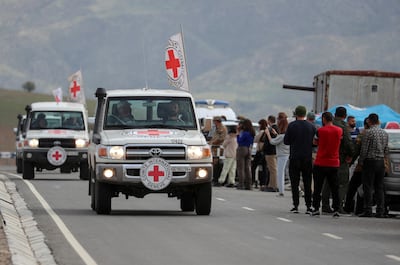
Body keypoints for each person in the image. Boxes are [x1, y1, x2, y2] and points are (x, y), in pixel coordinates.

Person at [321, 106, 354, 214]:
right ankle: (338, 206)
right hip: (340, 158)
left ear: (335, 114)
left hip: (326, 156)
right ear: (345, 116)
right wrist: (350, 155)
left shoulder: (327, 124)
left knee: (327, 182)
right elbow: (348, 143)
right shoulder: (344, 126)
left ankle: (325, 205)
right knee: (342, 183)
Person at [284, 105, 316, 213]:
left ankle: (296, 205)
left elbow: (286, 141)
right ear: (305, 114)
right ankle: (308, 206)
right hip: (307, 157)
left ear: (296, 114)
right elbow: (314, 143)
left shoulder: (292, 126)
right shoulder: (311, 127)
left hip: (294, 157)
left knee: (295, 182)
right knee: (307, 182)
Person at [311, 112, 343, 217]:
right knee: (334, 188)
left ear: (324, 119)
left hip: (320, 162)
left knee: (318, 187)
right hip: (334, 163)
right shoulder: (339, 130)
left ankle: (316, 208)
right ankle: (336, 209)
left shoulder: (320, 130)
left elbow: (315, 142)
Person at [358, 113, 389, 218]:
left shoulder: (368, 133)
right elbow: (386, 150)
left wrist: (361, 162)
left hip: (370, 161)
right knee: (379, 187)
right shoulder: (384, 133)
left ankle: (368, 210)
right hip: (380, 162)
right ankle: (380, 210)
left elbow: (364, 149)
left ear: (369, 121)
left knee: (368, 186)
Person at [343, 118, 369, 214]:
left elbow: (357, 150)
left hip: (362, 166)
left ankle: (349, 207)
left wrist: (350, 162)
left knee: (353, 186)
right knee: (370, 187)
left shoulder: (362, 135)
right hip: (378, 165)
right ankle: (377, 209)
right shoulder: (383, 133)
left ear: (366, 124)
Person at [264, 112, 289, 197]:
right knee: (289, 174)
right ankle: (298, 189)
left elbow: (273, 142)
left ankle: (281, 191)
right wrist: (275, 134)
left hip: (282, 155)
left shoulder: (281, 136)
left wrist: (268, 134)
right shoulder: (285, 135)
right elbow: (280, 139)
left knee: (280, 173)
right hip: (287, 154)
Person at [236, 119, 255, 190]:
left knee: (240, 167)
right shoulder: (252, 133)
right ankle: (249, 185)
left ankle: (241, 184)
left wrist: (238, 134)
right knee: (248, 167)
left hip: (242, 148)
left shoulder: (245, 133)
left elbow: (239, 141)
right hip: (249, 148)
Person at [209, 116, 227, 185]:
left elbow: (221, 138)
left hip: (218, 148)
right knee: (214, 163)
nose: (214, 123)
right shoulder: (216, 128)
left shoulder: (222, 128)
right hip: (214, 148)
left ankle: (216, 179)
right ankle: (214, 178)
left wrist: (213, 143)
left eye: (214, 121)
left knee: (217, 163)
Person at [251, 119, 268, 190]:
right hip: (265, 152)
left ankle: (253, 181)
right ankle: (263, 183)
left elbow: (255, 140)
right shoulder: (267, 131)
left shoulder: (261, 132)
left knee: (254, 166)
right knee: (264, 168)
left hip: (260, 151)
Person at [263, 115, 279, 192]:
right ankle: (271, 184)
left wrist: (267, 133)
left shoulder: (272, 128)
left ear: (269, 120)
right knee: (272, 169)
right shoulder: (275, 128)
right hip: (272, 151)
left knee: (273, 169)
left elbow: (272, 140)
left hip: (270, 151)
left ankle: (273, 185)